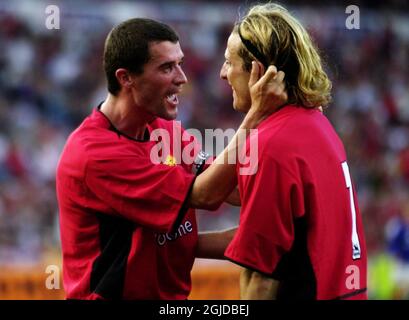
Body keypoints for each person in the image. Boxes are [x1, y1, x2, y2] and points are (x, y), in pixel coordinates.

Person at [56, 18, 286, 300]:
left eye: (180, 63)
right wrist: (257, 115)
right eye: (167, 67)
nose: (182, 78)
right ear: (125, 78)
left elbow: (234, 188)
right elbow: (206, 194)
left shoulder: (165, 130)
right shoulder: (93, 153)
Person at [220, 3, 368, 300]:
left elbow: (259, 279)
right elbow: (285, 239)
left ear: (257, 71)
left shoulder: (272, 145)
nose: (223, 73)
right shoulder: (317, 124)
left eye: (228, 62)